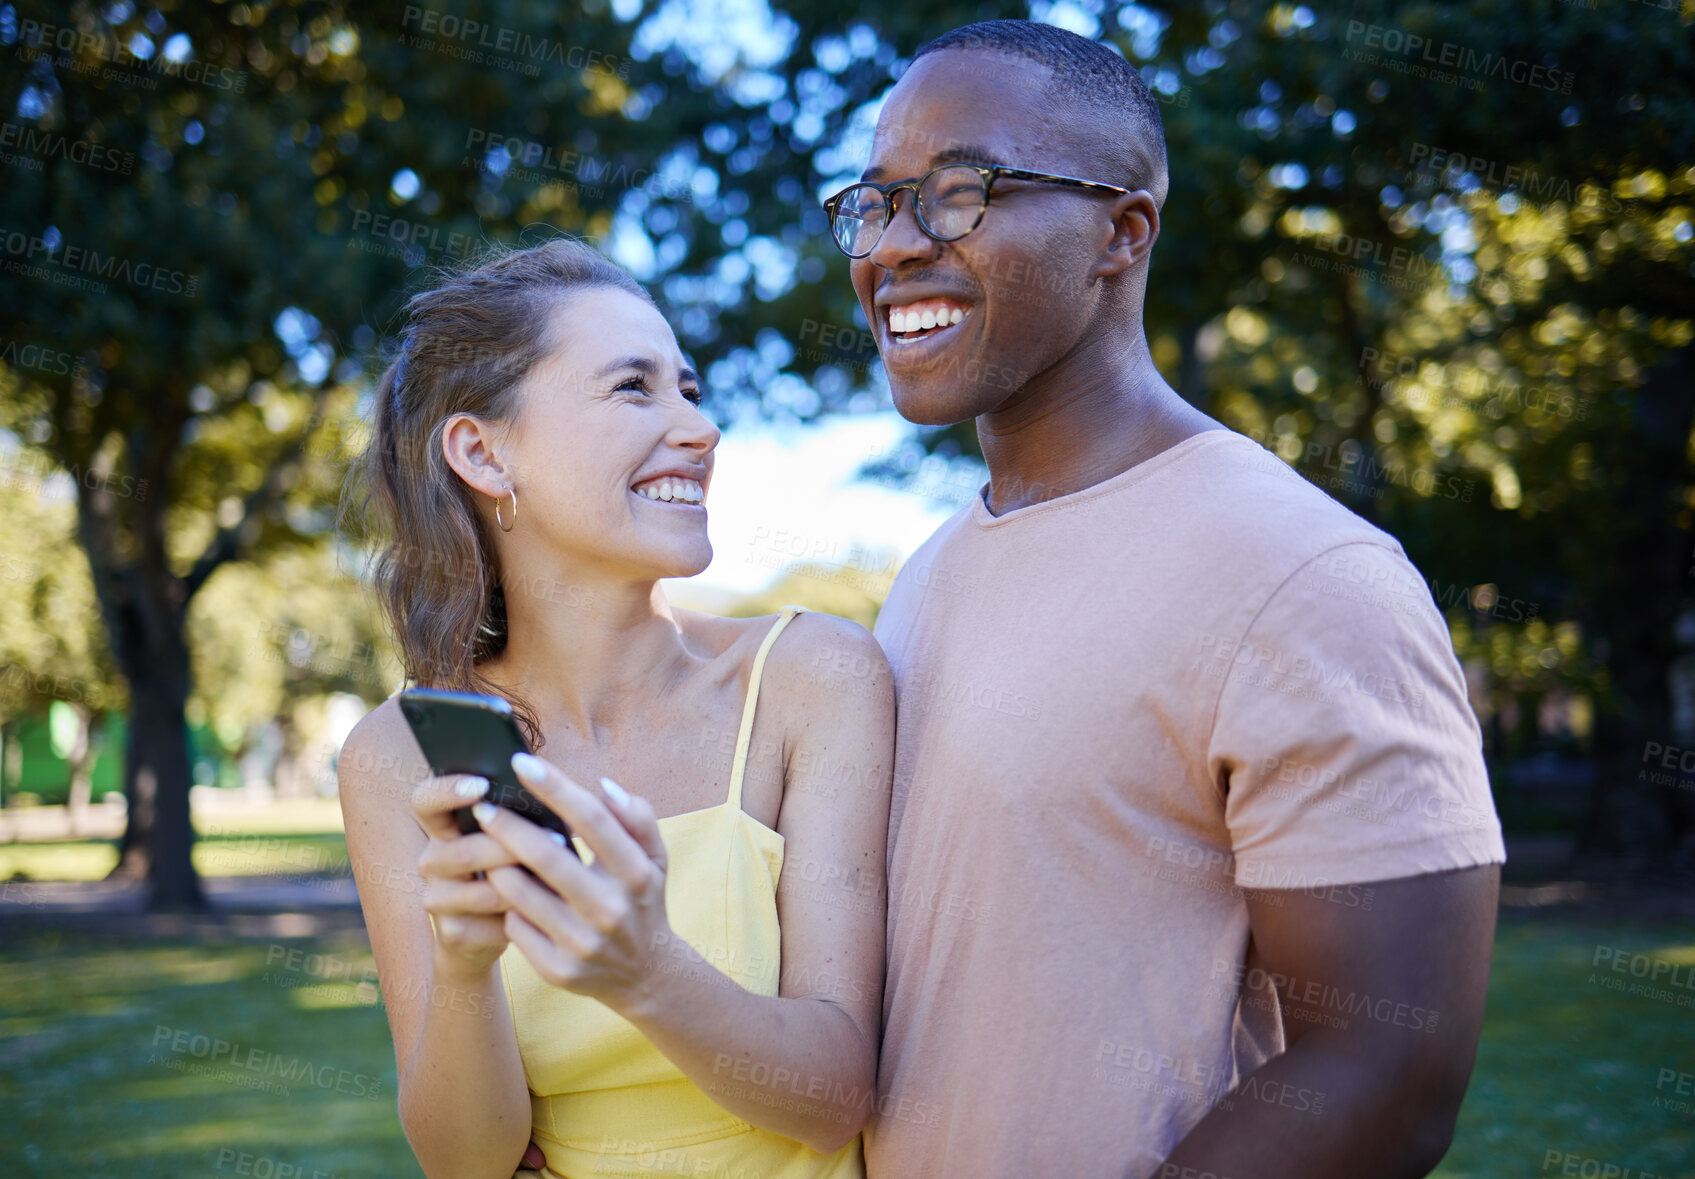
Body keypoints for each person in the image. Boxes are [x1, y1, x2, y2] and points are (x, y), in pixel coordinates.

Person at [820, 20, 1506, 1179]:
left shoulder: (1304, 575)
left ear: (1120, 231)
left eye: (958, 192)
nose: (894, 245)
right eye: (877, 201)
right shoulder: (932, 570)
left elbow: (1386, 1073)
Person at [336, 239, 892, 1179]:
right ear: (482, 450)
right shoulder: (394, 755)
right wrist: (466, 967)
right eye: (633, 388)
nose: (700, 429)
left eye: (689, 387)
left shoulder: (813, 676)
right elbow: (465, 1161)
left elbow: (837, 1098)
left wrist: (649, 972)